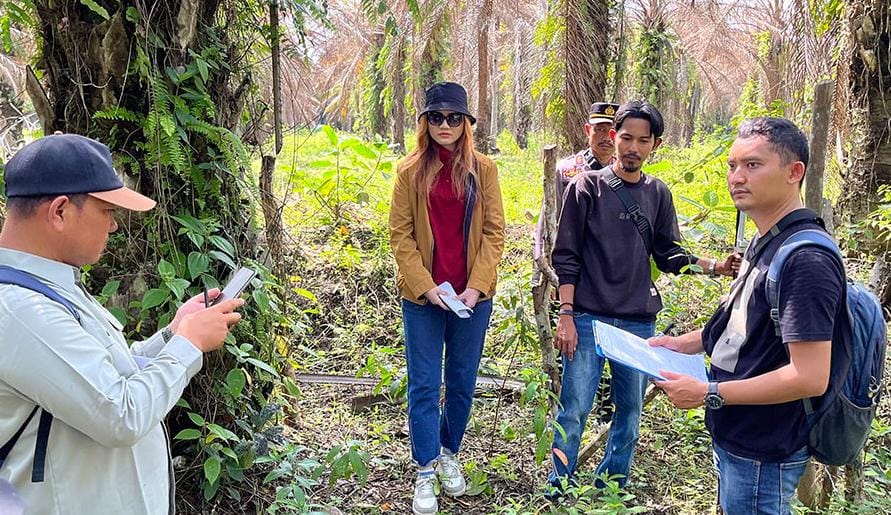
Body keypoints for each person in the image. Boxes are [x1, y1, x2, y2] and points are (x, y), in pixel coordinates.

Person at [0, 134, 245, 514]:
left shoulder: (51, 288)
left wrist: (173, 334)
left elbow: (105, 375)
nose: (113, 227)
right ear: (60, 211)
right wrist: (189, 346)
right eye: (107, 212)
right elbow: (120, 413)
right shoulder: (18, 310)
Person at [651, 117, 844, 515]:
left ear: (795, 172)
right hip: (739, 435)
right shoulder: (766, 240)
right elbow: (743, 327)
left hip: (764, 446)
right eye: (732, 165)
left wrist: (709, 393)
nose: (736, 177)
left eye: (753, 165)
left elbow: (809, 376)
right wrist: (680, 343)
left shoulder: (805, 260)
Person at [549, 100, 739, 494]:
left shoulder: (657, 193)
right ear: (612, 138)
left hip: (637, 322)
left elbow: (669, 253)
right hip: (586, 318)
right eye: (626, 138)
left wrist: (716, 266)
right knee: (574, 408)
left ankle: (611, 484)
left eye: (642, 140)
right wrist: (565, 313)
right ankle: (560, 486)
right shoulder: (587, 186)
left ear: (655, 144)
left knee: (631, 413)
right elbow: (566, 255)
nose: (632, 147)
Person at [388, 82, 505, 515]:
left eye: (454, 118)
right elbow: (400, 236)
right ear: (425, 121)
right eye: (436, 117)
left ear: (466, 123)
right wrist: (426, 285)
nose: (444, 125)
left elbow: (494, 232)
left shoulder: (484, 170)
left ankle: (448, 452)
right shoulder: (409, 171)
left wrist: (476, 286)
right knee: (423, 383)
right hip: (424, 297)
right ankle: (424, 468)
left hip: (472, 298)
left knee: (461, 381)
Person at [533, 102, 619, 269]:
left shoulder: (624, 173)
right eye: (600, 129)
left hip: (608, 267)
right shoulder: (565, 170)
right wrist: (543, 268)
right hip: (571, 263)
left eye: (611, 131)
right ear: (588, 130)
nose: (607, 138)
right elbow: (547, 220)